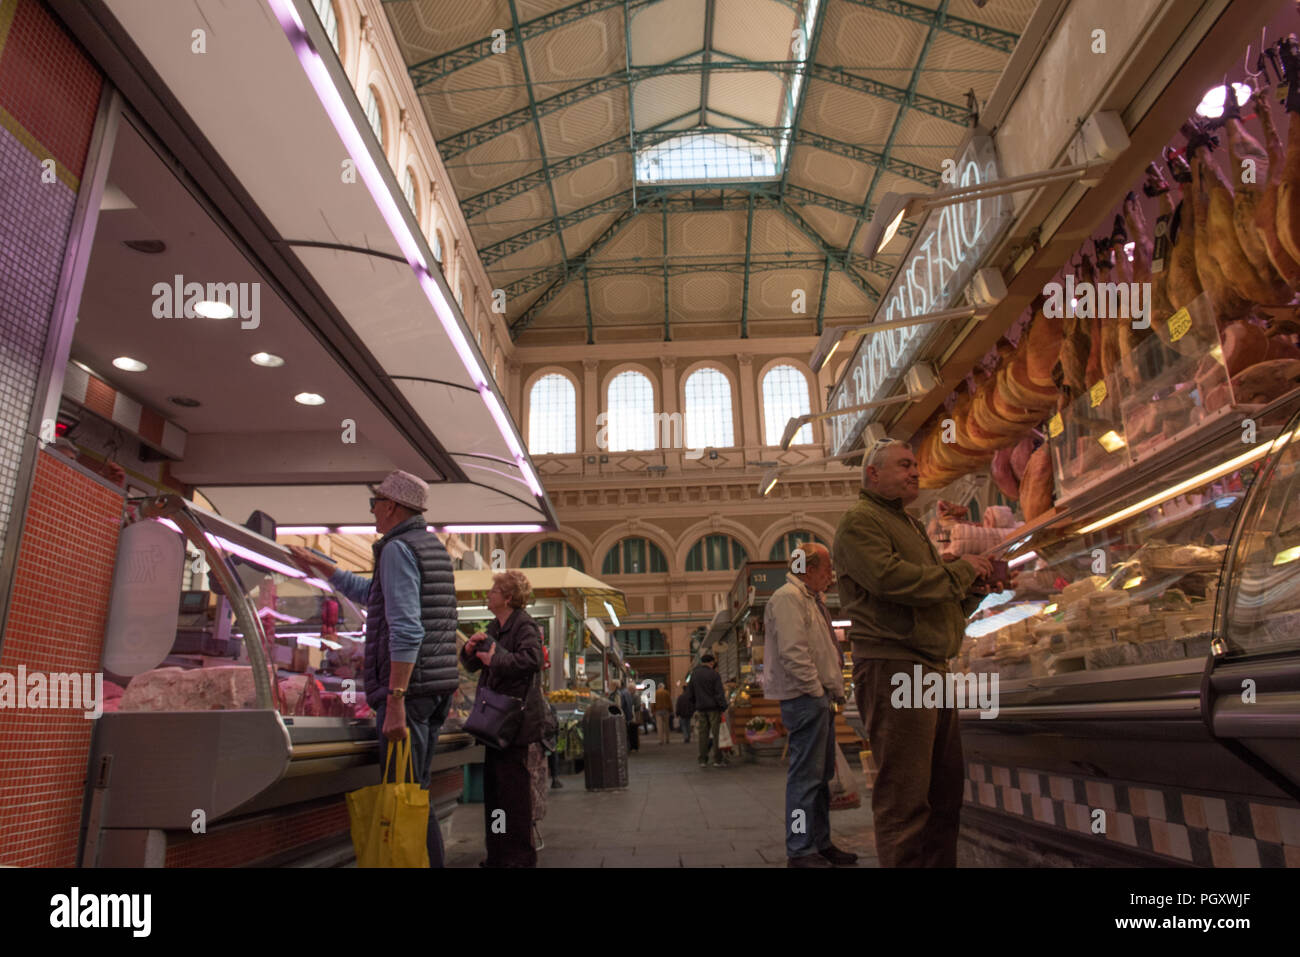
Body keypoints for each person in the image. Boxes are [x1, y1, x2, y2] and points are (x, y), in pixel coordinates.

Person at [833, 438, 992, 868]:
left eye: (915, 464)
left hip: (929, 669)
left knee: (943, 795)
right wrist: (960, 570)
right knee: (905, 799)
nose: (915, 471)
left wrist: (971, 592)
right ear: (873, 474)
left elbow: (927, 598)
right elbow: (891, 581)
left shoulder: (907, 523)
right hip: (895, 667)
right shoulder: (859, 523)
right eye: (904, 465)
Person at [288, 470, 458, 868]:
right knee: (416, 795)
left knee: (405, 793)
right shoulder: (428, 546)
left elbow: (406, 628)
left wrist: (396, 698)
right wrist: (325, 567)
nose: (372, 513)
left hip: (410, 694)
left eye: (374, 504)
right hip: (433, 689)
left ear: (392, 507)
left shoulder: (399, 549)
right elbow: (374, 595)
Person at [764, 542, 858, 868]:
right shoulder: (788, 599)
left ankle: (820, 843)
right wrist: (816, 692)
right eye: (827, 568)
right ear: (809, 568)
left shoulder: (811, 599)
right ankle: (800, 850)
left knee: (819, 781)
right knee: (805, 781)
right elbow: (794, 653)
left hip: (818, 699)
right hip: (805, 700)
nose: (830, 575)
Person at [459, 570, 547, 867]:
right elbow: (478, 664)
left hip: (515, 725)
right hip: (495, 723)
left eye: (494, 590)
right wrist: (470, 651)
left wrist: (495, 659)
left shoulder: (525, 625)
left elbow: (532, 661)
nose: (489, 594)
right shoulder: (497, 626)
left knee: (514, 797)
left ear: (507, 597)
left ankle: (519, 858)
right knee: (496, 795)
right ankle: (497, 854)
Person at [688, 654, 727, 767]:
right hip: (713, 708)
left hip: (701, 709)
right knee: (716, 734)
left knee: (703, 734)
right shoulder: (714, 674)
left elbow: (690, 693)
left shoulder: (694, 674)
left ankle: (702, 760)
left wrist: (696, 704)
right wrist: (723, 706)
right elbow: (719, 693)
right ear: (711, 663)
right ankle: (717, 759)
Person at [619, 680, 640, 752]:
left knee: (632, 732)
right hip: (632, 715)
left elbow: (628, 706)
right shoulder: (630, 694)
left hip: (632, 715)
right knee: (633, 732)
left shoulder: (627, 694)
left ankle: (633, 746)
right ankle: (634, 746)